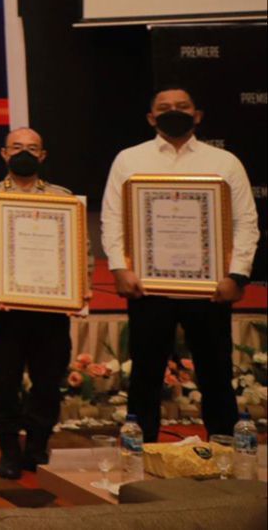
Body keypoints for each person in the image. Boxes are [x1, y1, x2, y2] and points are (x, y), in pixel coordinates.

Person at [100, 87, 258, 442]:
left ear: (197, 115)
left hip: (210, 288)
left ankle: (225, 449)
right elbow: (113, 218)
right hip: (148, 286)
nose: (174, 111)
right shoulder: (129, 159)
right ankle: (139, 448)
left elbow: (246, 222)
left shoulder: (225, 162)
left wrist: (236, 275)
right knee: (145, 372)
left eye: (182, 106)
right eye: (165, 107)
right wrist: (119, 268)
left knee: (216, 372)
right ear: (151, 118)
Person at [0, 127, 85, 478]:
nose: (24, 153)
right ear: (4, 154)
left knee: (47, 381)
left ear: (43, 156)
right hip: (5, 309)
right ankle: (8, 449)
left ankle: (37, 445)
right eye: (16, 147)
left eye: (32, 148)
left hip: (50, 310)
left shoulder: (63, 198)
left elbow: (81, 250)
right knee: (5, 381)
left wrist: (80, 289)